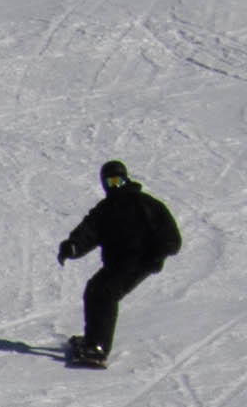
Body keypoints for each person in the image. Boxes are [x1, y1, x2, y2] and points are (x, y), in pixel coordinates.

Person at [59, 159, 183, 370]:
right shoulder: (106, 209)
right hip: (117, 263)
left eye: (118, 181)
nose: (115, 186)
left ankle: (97, 347)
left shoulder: (145, 204)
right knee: (95, 290)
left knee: (104, 293)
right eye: (110, 182)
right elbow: (89, 231)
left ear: (126, 179)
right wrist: (72, 246)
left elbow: (171, 238)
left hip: (139, 261)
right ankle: (93, 340)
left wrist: (155, 255)